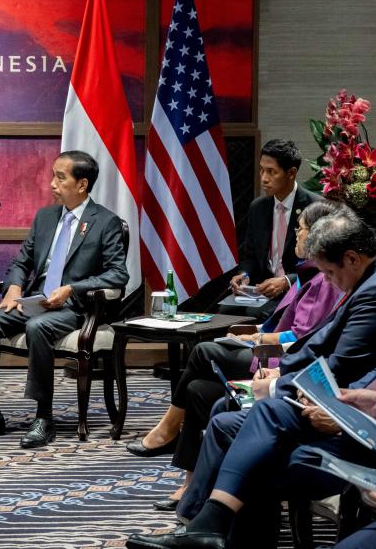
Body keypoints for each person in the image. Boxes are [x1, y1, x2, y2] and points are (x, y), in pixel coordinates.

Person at [126, 224, 376, 549]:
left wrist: (337, 403)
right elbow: (366, 369)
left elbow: (355, 371)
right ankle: (200, 522)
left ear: (350, 258)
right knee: (225, 416)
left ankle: (201, 522)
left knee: (257, 430)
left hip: (373, 438)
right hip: (342, 406)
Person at [126, 200, 345, 511]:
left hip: (278, 361)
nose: (296, 234)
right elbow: (282, 322)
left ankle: (167, 429)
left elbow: (300, 337)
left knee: (203, 350)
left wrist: (258, 336)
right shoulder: (304, 274)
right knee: (197, 390)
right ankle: (190, 485)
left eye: (302, 229)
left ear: (318, 236)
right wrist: (253, 331)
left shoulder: (323, 280)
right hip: (267, 349)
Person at [0, 150, 129, 448]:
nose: (52, 184)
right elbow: (21, 262)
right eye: (53, 176)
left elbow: (118, 275)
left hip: (75, 308)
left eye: (60, 177)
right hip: (36, 299)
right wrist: (15, 288)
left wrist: (73, 289)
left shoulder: (105, 222)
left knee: (38, 328)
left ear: (82, 185)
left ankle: (44, 417)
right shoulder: (45, 217)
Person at [228, 139, 321, 317]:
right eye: (262, 170)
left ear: (291, 173)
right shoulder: (258, 207)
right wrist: (244, 275)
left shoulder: (315, 207)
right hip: (262, 289)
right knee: (226, 311)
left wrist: (287, 281)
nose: (264, 178)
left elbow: (320, 264)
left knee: (256, 313)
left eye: (272, 172)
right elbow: (250, 256)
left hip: (297, 287)